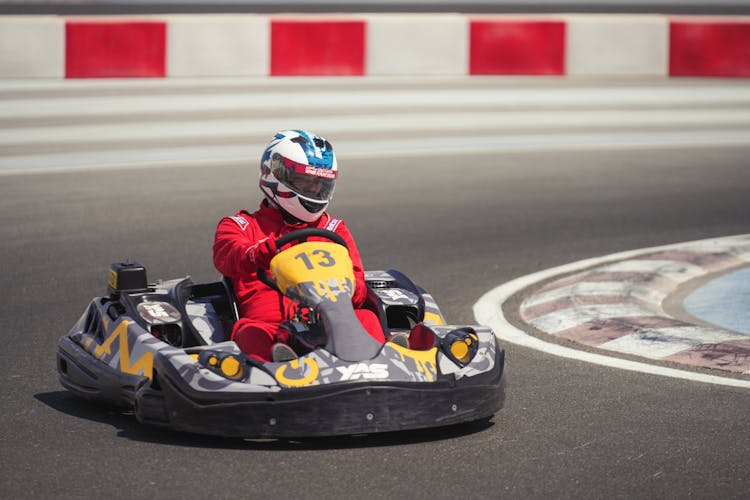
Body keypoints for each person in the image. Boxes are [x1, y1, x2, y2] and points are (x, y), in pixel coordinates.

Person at [213, 130, 386, 362]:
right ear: (275, 174)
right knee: (248, 333)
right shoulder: (241, 226)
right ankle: (273, 372)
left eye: (320, 184)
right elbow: (227, 255)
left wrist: (339, 287)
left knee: (366, 317)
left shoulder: (334, 230)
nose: (314, 191)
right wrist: (255, 254)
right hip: (269, 328)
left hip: (331, 324)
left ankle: (385, 358)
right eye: (305, 182)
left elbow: (358, 288)